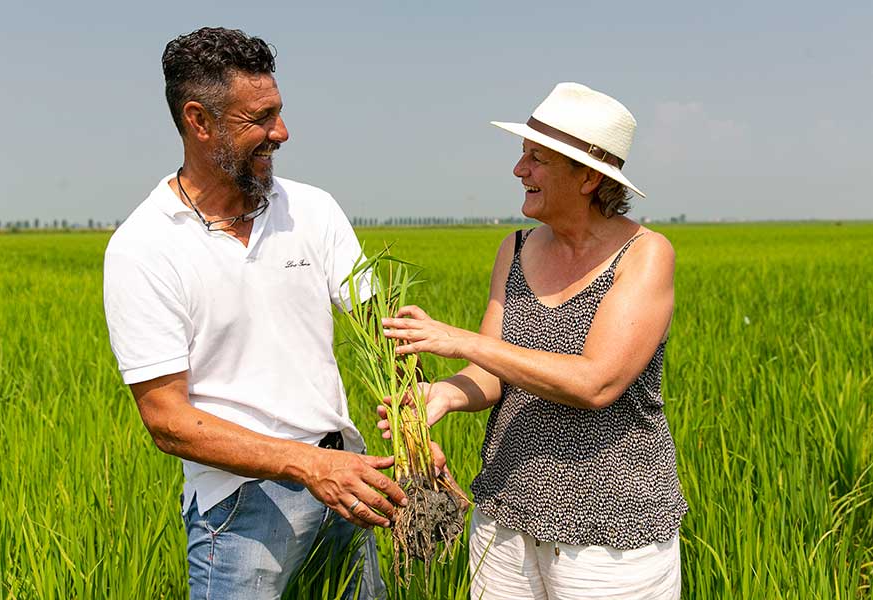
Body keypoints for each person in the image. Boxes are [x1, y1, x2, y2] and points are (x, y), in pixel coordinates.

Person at [103, 27, 405, 599]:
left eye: (279, 112)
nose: (282, 132)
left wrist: (412, 430)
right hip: (241, 506)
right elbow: (166, 419)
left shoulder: (312, 209)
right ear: (200, 121)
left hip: (346, 476)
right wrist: (304, 467)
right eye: (260, 119)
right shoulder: (143, 246)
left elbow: (382, 331)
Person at [379, 82, 689, 599]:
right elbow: (491, 373)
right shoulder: (516, 248)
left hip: (609, 534)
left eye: (537, 159)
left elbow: (596, 382)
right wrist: (448, 394)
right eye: (522, 155)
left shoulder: (644, 254)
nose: (519, 170)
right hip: (505, 520)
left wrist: (460, 342)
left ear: (589, 176)